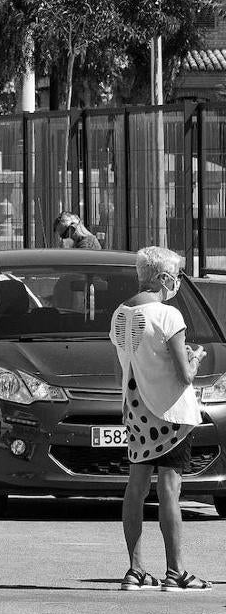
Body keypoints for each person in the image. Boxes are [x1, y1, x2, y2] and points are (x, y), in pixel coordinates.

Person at [111, 246, 211, 592]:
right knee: (170, 490)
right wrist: (194, 359)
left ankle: (135, 570)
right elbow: (184, 376)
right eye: (177, 275)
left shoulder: (120, 314)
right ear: (163, 278)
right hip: (170, 414)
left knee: (135, 489)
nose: (179, 281)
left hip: (137, 411)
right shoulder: (169, 316)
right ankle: (175, 571)